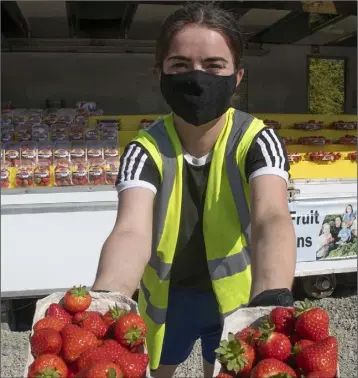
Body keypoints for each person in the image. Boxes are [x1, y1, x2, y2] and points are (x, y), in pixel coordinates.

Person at [92, 3, 296, 377]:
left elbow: (271, 216)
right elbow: (130, 230)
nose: (197, 78)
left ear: (237, 77)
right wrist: (106, 300)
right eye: (181, 65)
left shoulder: (258, 141)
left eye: (214, 65)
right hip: (170, 302)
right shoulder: (144, 149)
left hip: (237, 303)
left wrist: (272, 299)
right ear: (160, 73)